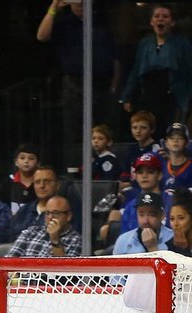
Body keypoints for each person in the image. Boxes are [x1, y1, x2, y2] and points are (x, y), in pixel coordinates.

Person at [36, 0, 120, 149]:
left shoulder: (101, 23)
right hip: (74, 84)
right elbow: (42, 36)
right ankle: (75, 169)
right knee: (74, 130)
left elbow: (115, 56)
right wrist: (54, 6)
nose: (81, 5)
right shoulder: (64, 23)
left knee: (103, 130)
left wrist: (113, 86)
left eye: (84, 2)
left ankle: (104, 166)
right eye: (77, 2)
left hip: (101, 84)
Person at [121, 4, 192, 134]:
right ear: (151, 21)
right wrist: (128, 96)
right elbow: (137, 70)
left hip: (173, 96)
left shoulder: (182, 43)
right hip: (149, 95)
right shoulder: (145, 43)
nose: (161, 19)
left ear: (172, 22)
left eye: (165, 16)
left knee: (172, 132)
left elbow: (189, 70)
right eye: (157, 16)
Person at [6, 194, 82, 258]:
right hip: (23, 274)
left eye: (56, 213)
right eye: (47, 213)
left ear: (68, 216)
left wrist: (55, 239)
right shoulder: (31, 232)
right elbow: (9, 261)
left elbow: (65, 271)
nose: (50, 217)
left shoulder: (76, 241)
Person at [119, 111, 162, 189]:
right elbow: (125, 173)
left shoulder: (158, 148)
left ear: (152, 130)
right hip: (131, 189)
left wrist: (131, 184)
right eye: (134, 127)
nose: (138, 131)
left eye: (143, 128)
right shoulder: (131, 149)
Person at [2, 143, 41, 215]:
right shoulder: (7, 183)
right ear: (16, 162)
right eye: (22, 158)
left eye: (31, 158)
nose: (26, 161)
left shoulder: (41, 184)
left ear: (38, 163)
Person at [160, 122, 192, 194]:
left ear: (187, 143)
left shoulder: (190, 167)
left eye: (180, 138)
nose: (175, 141)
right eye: (172, 138)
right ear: (166, 143)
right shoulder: (161, 167)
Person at [168, 188, 192, 255]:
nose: (175, 224)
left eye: (181, 218)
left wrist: (183, 248)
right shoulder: (169, 245)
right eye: (172, 219)